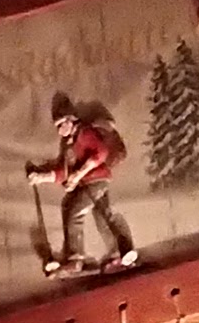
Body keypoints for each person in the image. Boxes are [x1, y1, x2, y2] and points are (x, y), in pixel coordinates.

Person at [28, 89, 136, 278]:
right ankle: (122, 252)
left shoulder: (84, 133)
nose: (60, 130)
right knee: (105, 216)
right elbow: (64, 172)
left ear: (71, 120)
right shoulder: (69, 145)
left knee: (74, 212)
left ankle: (75, 259)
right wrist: (42, 177)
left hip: (96, 180)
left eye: (61, 124)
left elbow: (101, 153)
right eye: (57, 126)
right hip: (93, 182)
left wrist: (79, 174)